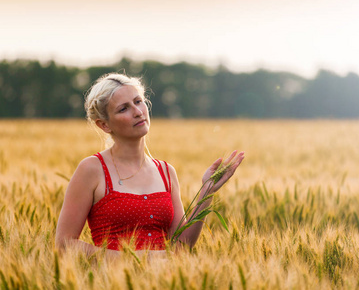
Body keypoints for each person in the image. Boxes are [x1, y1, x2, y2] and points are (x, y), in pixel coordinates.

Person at [55, 72, 244, 259]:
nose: (138, 112)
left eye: (138, 101)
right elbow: (64, 244)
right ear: (104, 125)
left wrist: (206, 192)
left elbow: (181, 247)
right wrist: (137, 260)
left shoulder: (166, 172)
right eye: (123, 109)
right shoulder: (92, 169)